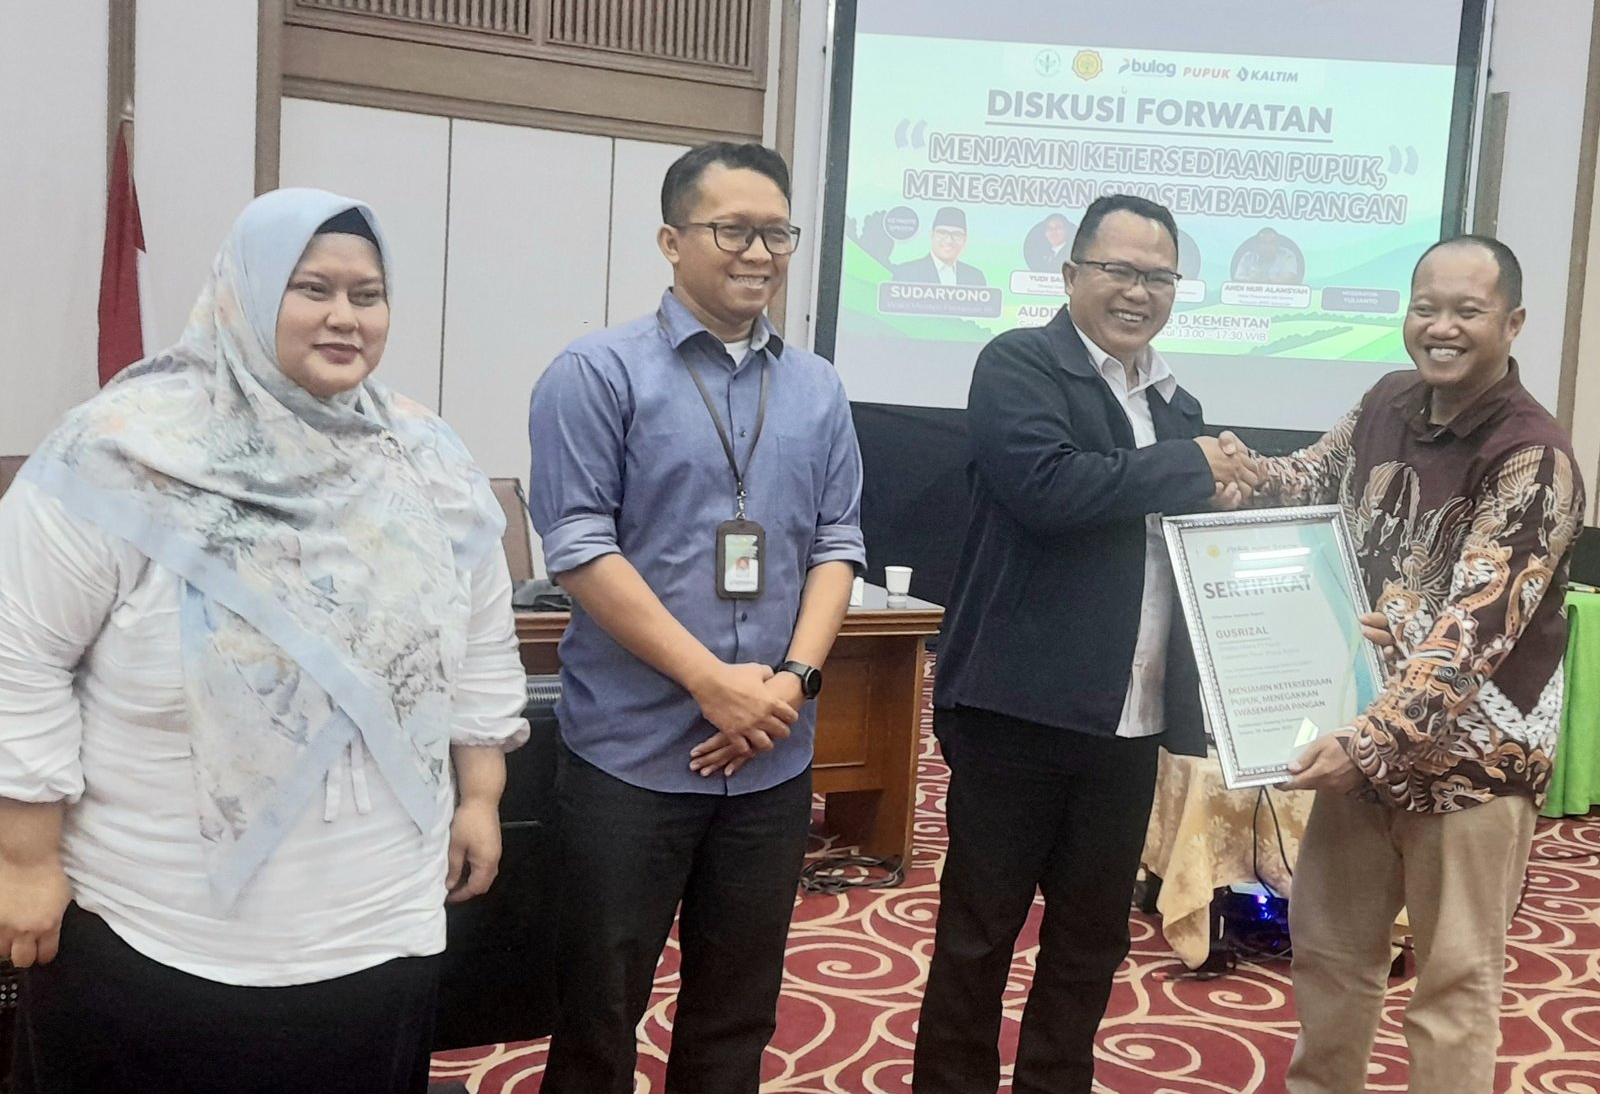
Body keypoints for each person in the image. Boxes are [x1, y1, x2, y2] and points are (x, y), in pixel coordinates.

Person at [0, 188, 530, 1094]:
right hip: (152, 922)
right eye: (311, 287)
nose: (344, 316)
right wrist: (25, 860)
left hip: (376, 919)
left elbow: (479, 638)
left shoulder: (426, 458)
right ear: (243, 293)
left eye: (367, 294)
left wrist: (481, 793)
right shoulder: (117, 453)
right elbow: (21, 658)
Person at [527, 141, 865, 1094]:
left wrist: (792, 682)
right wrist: (711, 683)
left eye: (776, 232)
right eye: (732, 230)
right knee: (598, 1009)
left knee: (737, 1012)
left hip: (771, 756)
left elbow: (838, 542)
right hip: (631, 754)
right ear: (672, 241)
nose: (758, 252)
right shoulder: (596, 372)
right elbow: (579, 549)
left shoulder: (818, 388)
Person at [913, 194, 1261, 1094]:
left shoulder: (1176, 403)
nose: (1138, 291)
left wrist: (1218, 500)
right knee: (979, 934)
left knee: (1090, 940)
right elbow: (1048, 486)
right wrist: (1191, 467)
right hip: (1016, 710)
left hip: (1128, 720)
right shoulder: (1020, 363)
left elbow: (1166, 528)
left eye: (1159, 276)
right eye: (1119, 270)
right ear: (1072, 276)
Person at [1250, 236, 1585, 1093]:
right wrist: (1224, 473)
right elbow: (1305, 478)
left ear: (1512, 322)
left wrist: (1368, 741)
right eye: (1426, 306)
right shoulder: (1386, 400)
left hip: (1472, 764)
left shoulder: (1534, 456)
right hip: (1364, 739)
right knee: (1329, 954)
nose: (1441, 327)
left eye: (1467, 311)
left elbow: (1473, 632)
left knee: (1453, 984)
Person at [894, 206, 988, 285]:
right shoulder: (906, 273)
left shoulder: (975, 277)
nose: (949, 240)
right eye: (942, 233)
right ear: (932, 235)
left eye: (957, 235)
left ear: (965, 240)